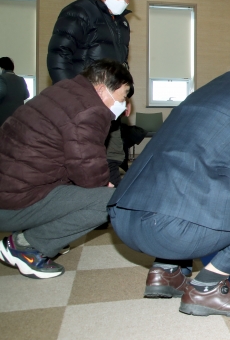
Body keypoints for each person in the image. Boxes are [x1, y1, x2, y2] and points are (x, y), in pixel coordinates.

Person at [108, 40, 230, 317]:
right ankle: (208, 286)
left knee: (192, 184)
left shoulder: (203, 91)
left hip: (125, 220)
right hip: (172, 229)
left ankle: (165, 272)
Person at [0, 60, 134, 279]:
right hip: (11, 203)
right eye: (123, 95)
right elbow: (88, 171)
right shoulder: (90, 111)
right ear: (102, 88)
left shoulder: (62, 92)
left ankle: (37, 234)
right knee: (109, 200)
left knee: (78, 185)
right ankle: (27, 246)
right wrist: (104, 183)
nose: (124, 102)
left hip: (10, 189)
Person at [47, 0, 140, 185]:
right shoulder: (79, 12)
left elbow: (121, 66)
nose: (123, 2)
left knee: (112, 158)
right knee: (82, 158)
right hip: (83, 102)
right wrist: (71, 97)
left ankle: (110, 210)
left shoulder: (122, 24)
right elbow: (58, 56)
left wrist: (125, 97)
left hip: (110, 105)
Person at [0, 57, 30, 126]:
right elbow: (27, 95)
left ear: (2, 68)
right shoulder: (21, 79)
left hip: (3, 116)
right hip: (18, 116)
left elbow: (2, 92)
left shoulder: (2, 78)